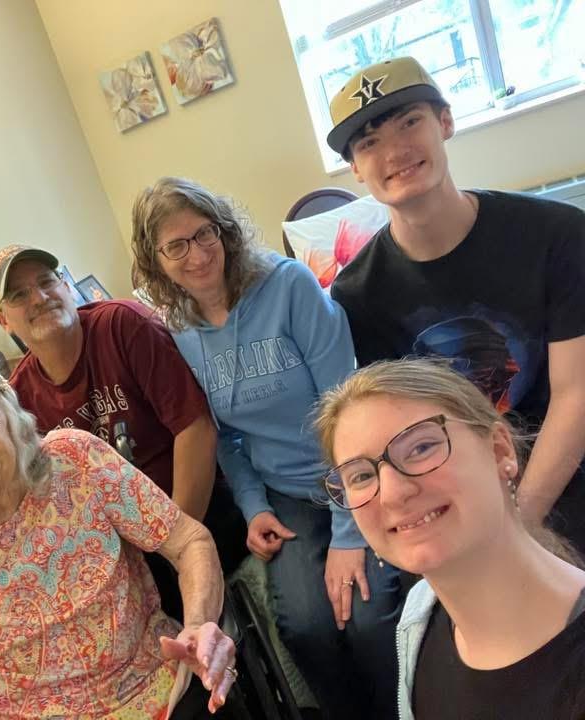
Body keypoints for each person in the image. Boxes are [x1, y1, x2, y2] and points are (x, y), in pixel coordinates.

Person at [130, 177, 403, 720]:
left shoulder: (289, 286)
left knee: (370, 618)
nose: (197, 253)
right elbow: (224, 437)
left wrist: (350, 533)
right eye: (176, 245)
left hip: (358, 477)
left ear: (225, 232)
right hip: (287, 496)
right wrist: (255, 509)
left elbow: (349, 406)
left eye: (204, 234)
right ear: (155, 259)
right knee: (305, 622)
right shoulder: (176, 330)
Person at [0, 353, 238, 720]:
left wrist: (198, 625)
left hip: (137, 693)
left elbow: (188, 542)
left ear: (9, 417)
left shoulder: (76, 461)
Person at [327, 55, 585, 552]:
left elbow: (575, 394)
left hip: (567, 458)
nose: (395, 151)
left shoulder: (558, 236)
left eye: (410, 122)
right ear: (355, 167)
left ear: (445, 122)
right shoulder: (357, 295)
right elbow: (402, 428)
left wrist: (515, 522)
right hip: (457, 483)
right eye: (369, 142)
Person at [315, 358, 585, 719]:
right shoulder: (419, 617)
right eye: (361, 476)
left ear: (499, 450)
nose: (392, 493)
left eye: (421, 447)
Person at [0, 244, 249, 613]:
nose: (40, 298)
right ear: (4, 321)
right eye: (19, 295)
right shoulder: (20, 397)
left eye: (47, 282)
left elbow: (196, 429)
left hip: (191, 512)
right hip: (113, 552)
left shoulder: (123, 326)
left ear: (66, 285)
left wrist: (176, 545)